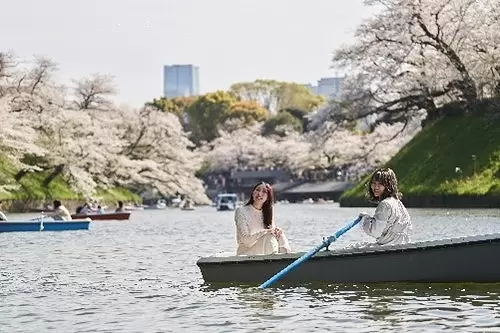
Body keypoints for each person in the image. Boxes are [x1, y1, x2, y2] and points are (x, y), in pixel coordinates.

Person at [235, 182, 291, 255]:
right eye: (257, 190)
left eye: (264, 192)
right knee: (269, 235)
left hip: (265, 252)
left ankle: (287, 258)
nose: (260, 194)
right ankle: (277, 260)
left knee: (280, 234)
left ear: (268, 197)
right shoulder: (241, 211)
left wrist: (277, 232)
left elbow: (271, 232)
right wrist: (266, 232)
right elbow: (246, 241)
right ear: (253, 193)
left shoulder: (268, 212)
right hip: (246, 253)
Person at [359, 168, 412, 245]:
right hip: (402, 245)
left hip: (389, 247)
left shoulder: (384, 204)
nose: (376, 187)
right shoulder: (397, 202)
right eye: (373, 183)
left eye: (380, 184)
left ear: (389, 185)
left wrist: (364, 219)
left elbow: (375, 232)